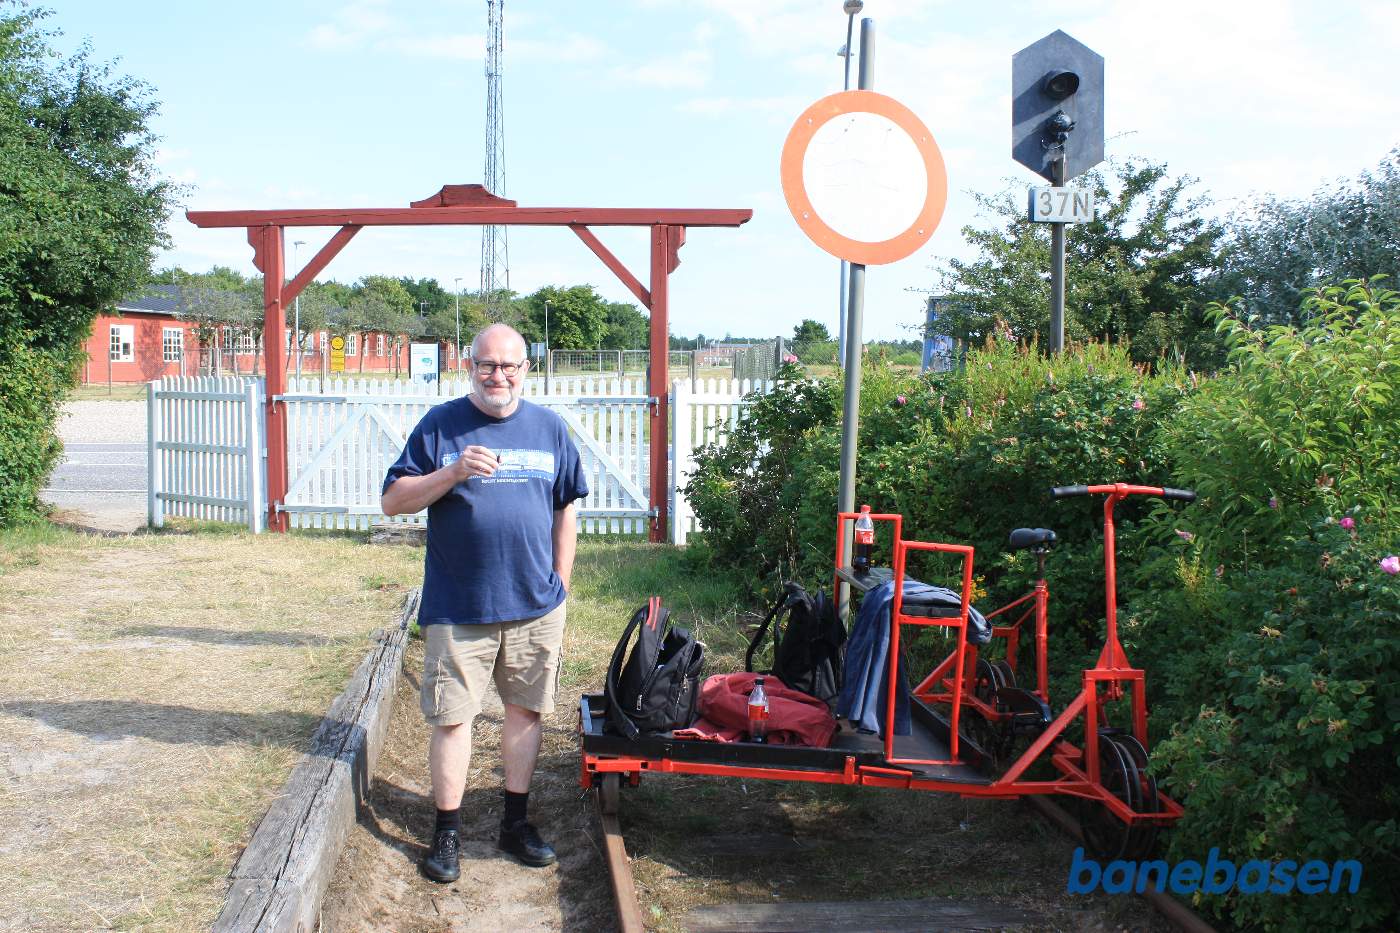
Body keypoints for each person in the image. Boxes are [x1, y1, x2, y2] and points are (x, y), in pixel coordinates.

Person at [380, 323, 588, 882]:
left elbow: (566, 504)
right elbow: (393, 501)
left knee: (525, 712)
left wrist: (560, 578)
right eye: (487, 365)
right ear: (468, 366)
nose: (499, 375)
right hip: (459, 604)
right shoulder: (440, 425)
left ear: (527, 368)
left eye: (510, 366)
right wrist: (451, 472)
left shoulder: (549, 428)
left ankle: (514, 823)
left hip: (535, 606)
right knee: (453, 718)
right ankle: (446, 830)